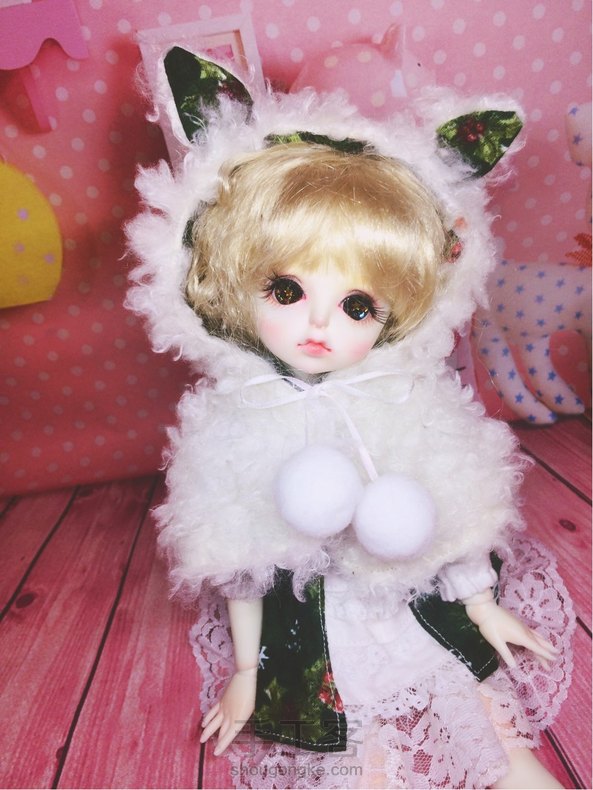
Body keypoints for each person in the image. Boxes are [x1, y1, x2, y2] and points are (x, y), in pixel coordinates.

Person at [127, 88, 573, 788]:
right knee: (363, 762)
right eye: (285, 291)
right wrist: (246, 671)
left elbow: (450, 504)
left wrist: (481, 602)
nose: (318, 326)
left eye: (357, 305)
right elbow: (238, 550)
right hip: (313, 630)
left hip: (410, 598)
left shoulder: (399, 395)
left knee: (487, 734)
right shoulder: (236, 416)